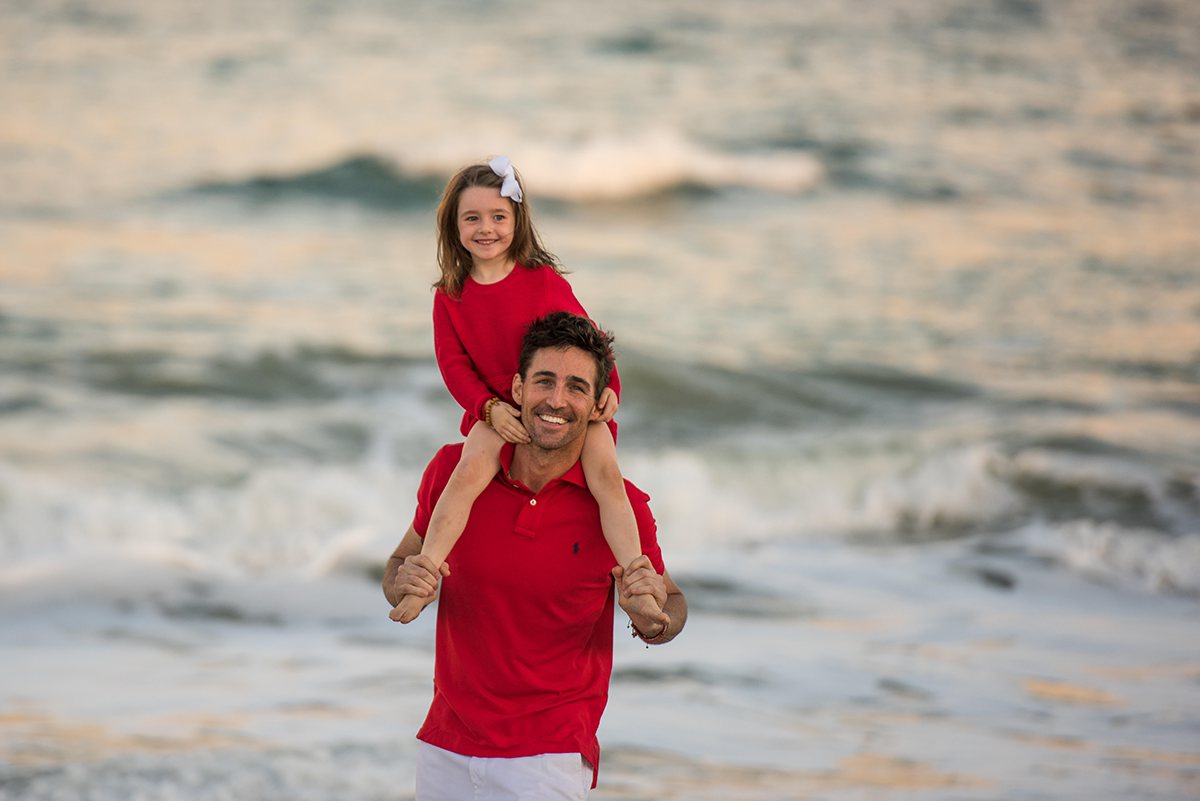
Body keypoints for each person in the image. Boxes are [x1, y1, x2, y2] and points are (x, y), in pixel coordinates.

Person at [383, 311, 687, 799]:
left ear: (597, 407)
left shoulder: (620, 507)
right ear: (518, 389)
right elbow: (400, 564)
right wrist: (404, 583)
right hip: (445, 744)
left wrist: (652, 620)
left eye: (576, 388)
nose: (557, 400)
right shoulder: (452, 472)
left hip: (550, 754)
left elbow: (669, 601)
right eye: (545, 381)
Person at [389, 156, 665, 629]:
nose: (486, 228)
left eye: (498, 217)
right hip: (497, 410)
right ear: (453, 227)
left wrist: (610, 389)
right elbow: (453, 367)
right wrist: (489, 409)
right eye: (471, 218)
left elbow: (590, 338)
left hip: (557, 405)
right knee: (465, 474)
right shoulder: (449, 296)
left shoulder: (541, 281)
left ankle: (637, 584)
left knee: (607, 479)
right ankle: (424, 578)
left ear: (518, 222)